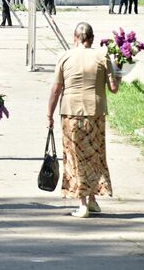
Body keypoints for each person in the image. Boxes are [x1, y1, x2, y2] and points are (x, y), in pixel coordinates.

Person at [47, 22, 120, 218]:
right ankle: (93, 200)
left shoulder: (64, 56)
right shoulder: (102, 56)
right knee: (94, 155)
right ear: (92, 38)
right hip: (95, 113)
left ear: (74, 38)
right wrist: (119, 70)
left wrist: (49, 114)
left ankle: (83, 205)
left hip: (70, 113)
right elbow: (113, 88)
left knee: (75, 157)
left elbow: (56, 89)